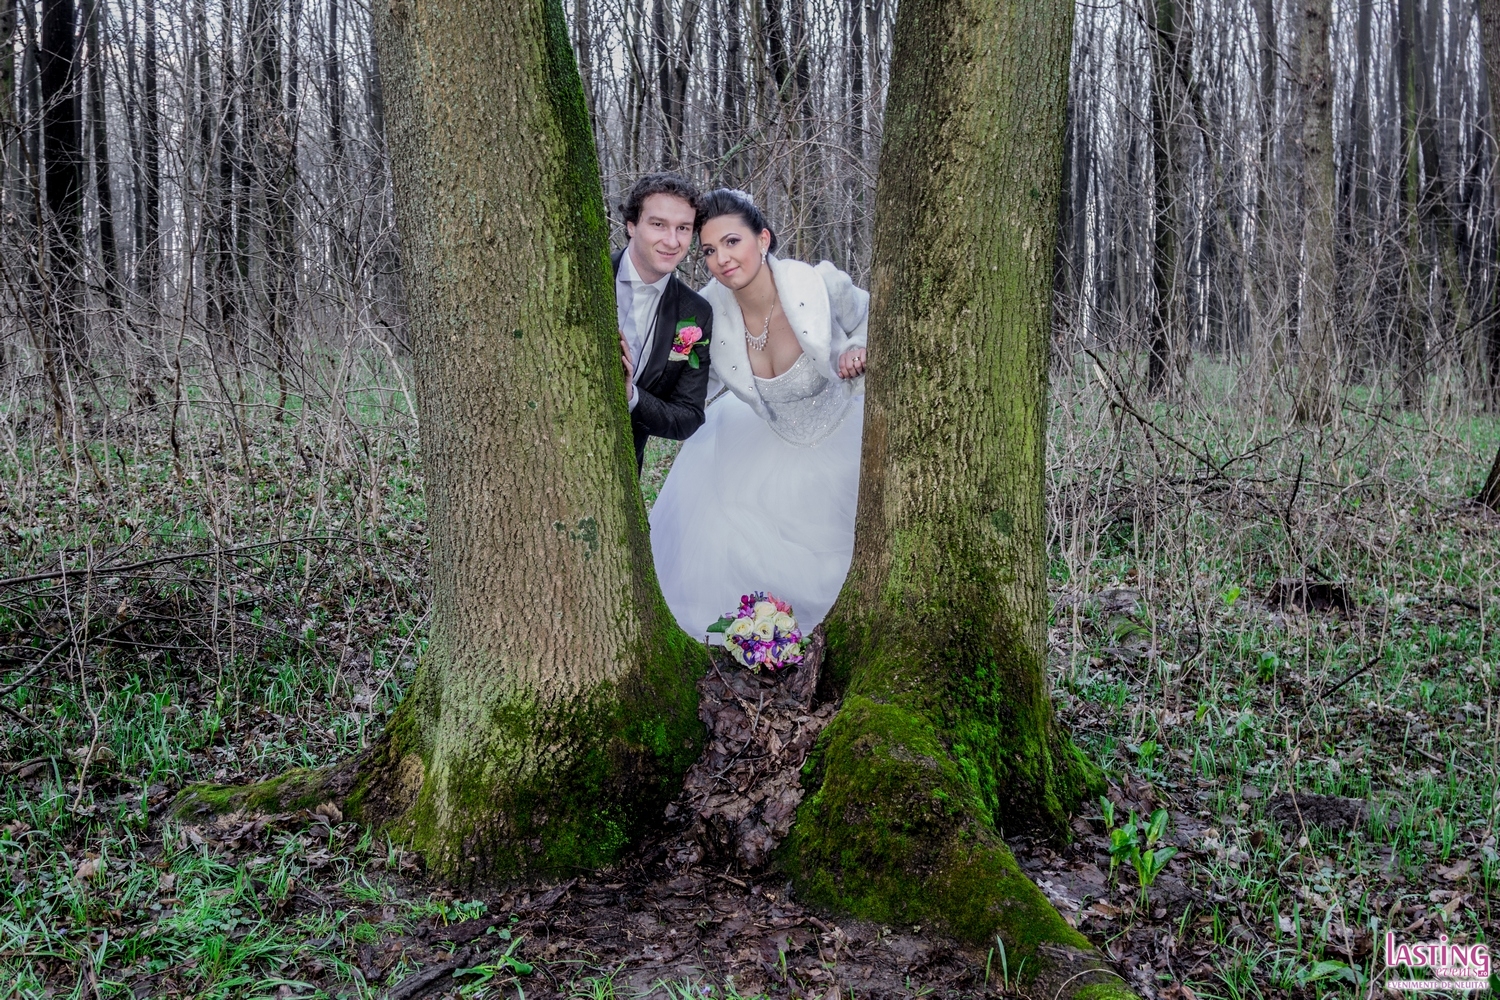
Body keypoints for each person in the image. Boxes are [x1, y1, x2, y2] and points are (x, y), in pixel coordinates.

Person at [648, 189, 870, 636]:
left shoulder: (818, 284)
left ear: (763, 239)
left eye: (732, 242)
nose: (722, 259)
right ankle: (763, 641)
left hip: (842, 432)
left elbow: (874, 319)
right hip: (763, 438)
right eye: (709, 250)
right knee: (727, 541)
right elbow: (687, 384)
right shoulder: (705, 315)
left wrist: (857, 348)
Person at [613, 173, 715, 472]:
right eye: (658, 224)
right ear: (632, 225)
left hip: (621, 471)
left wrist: (632, 397)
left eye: (683, 228)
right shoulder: (587, 277)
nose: (672, 241)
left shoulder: (695, 313)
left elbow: (688, 417)